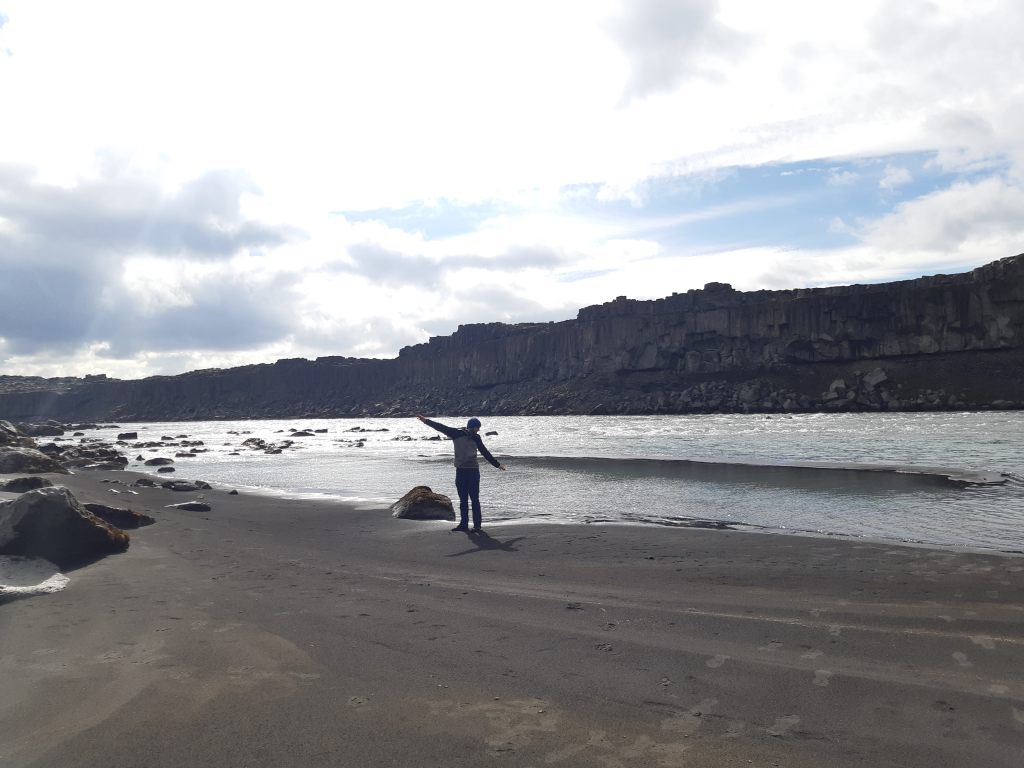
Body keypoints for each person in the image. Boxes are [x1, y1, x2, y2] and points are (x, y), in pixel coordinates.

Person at [416, 415, 506, 533]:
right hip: (461, 472)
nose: (478, 430)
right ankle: (464, 524)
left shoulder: (476, 438)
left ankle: (477, 526)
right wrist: (426, 421)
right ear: (472, 427)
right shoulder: (456, 433)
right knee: (463, 500)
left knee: (474, 499)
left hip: (473, 471)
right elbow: (440, 427)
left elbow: (485, 452)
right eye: (477, 428)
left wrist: (497, 465)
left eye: (479, 428)